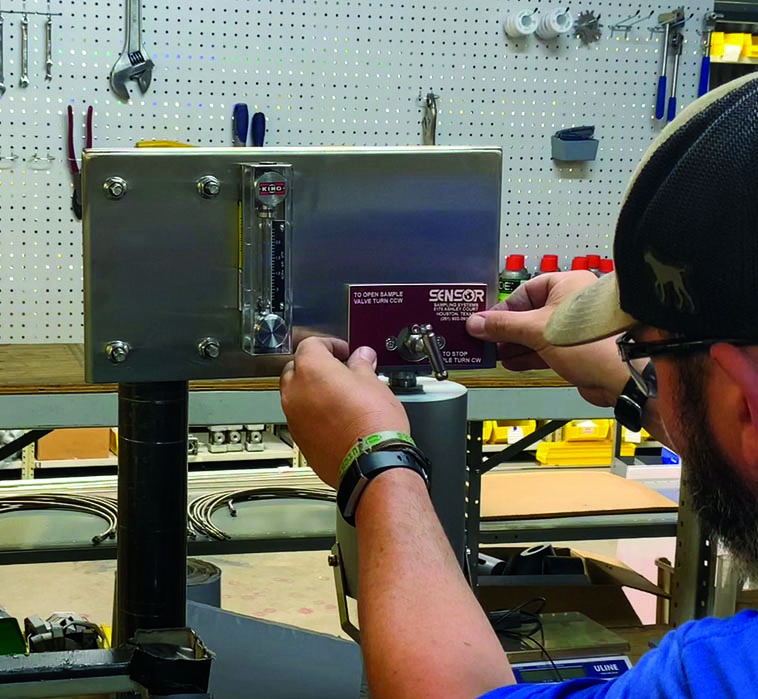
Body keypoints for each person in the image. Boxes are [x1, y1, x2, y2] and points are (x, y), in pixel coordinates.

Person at [280, 73, 758, 698]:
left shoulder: (719, 676)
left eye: (645, 351)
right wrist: (635, 381)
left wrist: (374, 462)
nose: (641, 369)